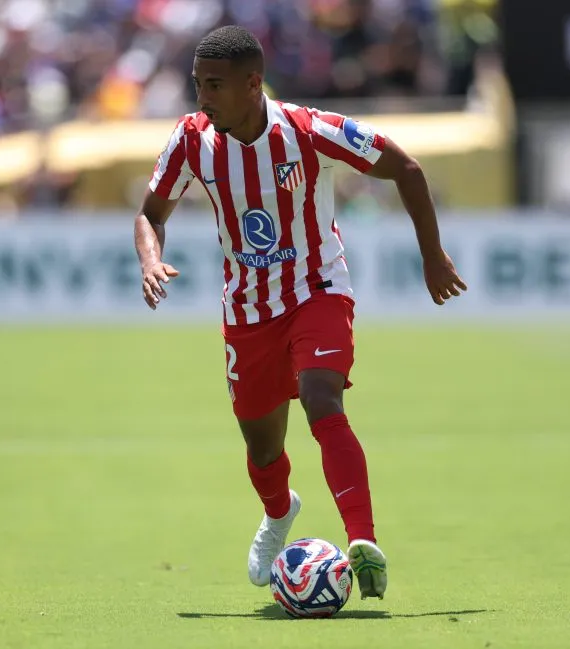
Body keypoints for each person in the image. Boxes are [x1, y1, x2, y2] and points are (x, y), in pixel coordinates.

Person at [133, 25, 466, 601]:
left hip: (317, 290)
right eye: (197, 84)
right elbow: (150, 212)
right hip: (247, 309)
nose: (202, 97)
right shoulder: (192, 141)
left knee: (321, 399)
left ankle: (363, 544)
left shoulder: (309, 132)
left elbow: (406, 169)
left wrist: (432, 257)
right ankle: (280, 510)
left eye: (214, 85)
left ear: (253, 83)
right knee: (263, 450)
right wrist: (150, 259)